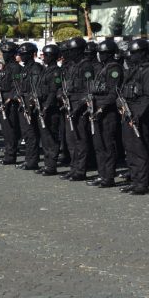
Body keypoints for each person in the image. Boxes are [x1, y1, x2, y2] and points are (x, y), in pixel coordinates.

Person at [119, 39, 149, 195]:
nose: (132, 56)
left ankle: (142, 184)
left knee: (140, 150)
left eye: (135, 53)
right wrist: (120, 105)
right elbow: (121, 91)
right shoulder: (133, 71)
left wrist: (137, 115)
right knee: (130, 150)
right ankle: (135, 180)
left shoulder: (148, 71)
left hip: (139, 117)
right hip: (128, 113)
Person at [86, 40, 123, 188]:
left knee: (108, 146)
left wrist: (101, 107)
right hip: (96, 111)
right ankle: (102, 175)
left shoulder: (114, 69)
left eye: (103, 53)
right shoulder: (102, 68)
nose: (100, 55)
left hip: (107, 113)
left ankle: (108, 177)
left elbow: (113, 93)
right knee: (99, 146)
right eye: (99, 53)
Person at [59, 37, 94, 182]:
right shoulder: (73, 66)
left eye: (73, 50)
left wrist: (79, 107)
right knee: (71, 140)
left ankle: (80, 170)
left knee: (80, 140)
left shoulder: (86, 66)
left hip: (79, 108)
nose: (70, 53)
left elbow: (88, 90)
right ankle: (74, 168)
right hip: (69, 105)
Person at [34, 44, 62, 176]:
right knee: (45, 138)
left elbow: (53, 91)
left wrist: (46, 107)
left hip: (51, 108)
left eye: (45, 55)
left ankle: (51, 166)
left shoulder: (56, 71)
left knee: (51, 137)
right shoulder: (46, 70)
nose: (43, 57)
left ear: (51, 56)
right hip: (42, 105)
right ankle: (47, 164)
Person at [15, 42, 44, 170]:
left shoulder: (36, 68)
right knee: (26, 134)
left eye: (24, 54)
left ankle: (32, 161)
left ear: (32, 54)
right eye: (21, 54)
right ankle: (29, 159)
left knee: (31, 133)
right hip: (23, 102)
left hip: (30, 104)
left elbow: (35, 88)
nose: (22, 56)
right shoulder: (25, 68)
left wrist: (30, 104)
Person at [0, 42, 22, 166]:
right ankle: (8, 153)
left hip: (10, 102)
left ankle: (10, 156)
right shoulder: (6, 67)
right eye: (3, 53)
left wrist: (10, 98)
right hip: (3, 98)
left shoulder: (16, 67)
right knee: (6, 130)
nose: (5, 55)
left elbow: (17, 85)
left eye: (7, 53)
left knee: (10, 130)